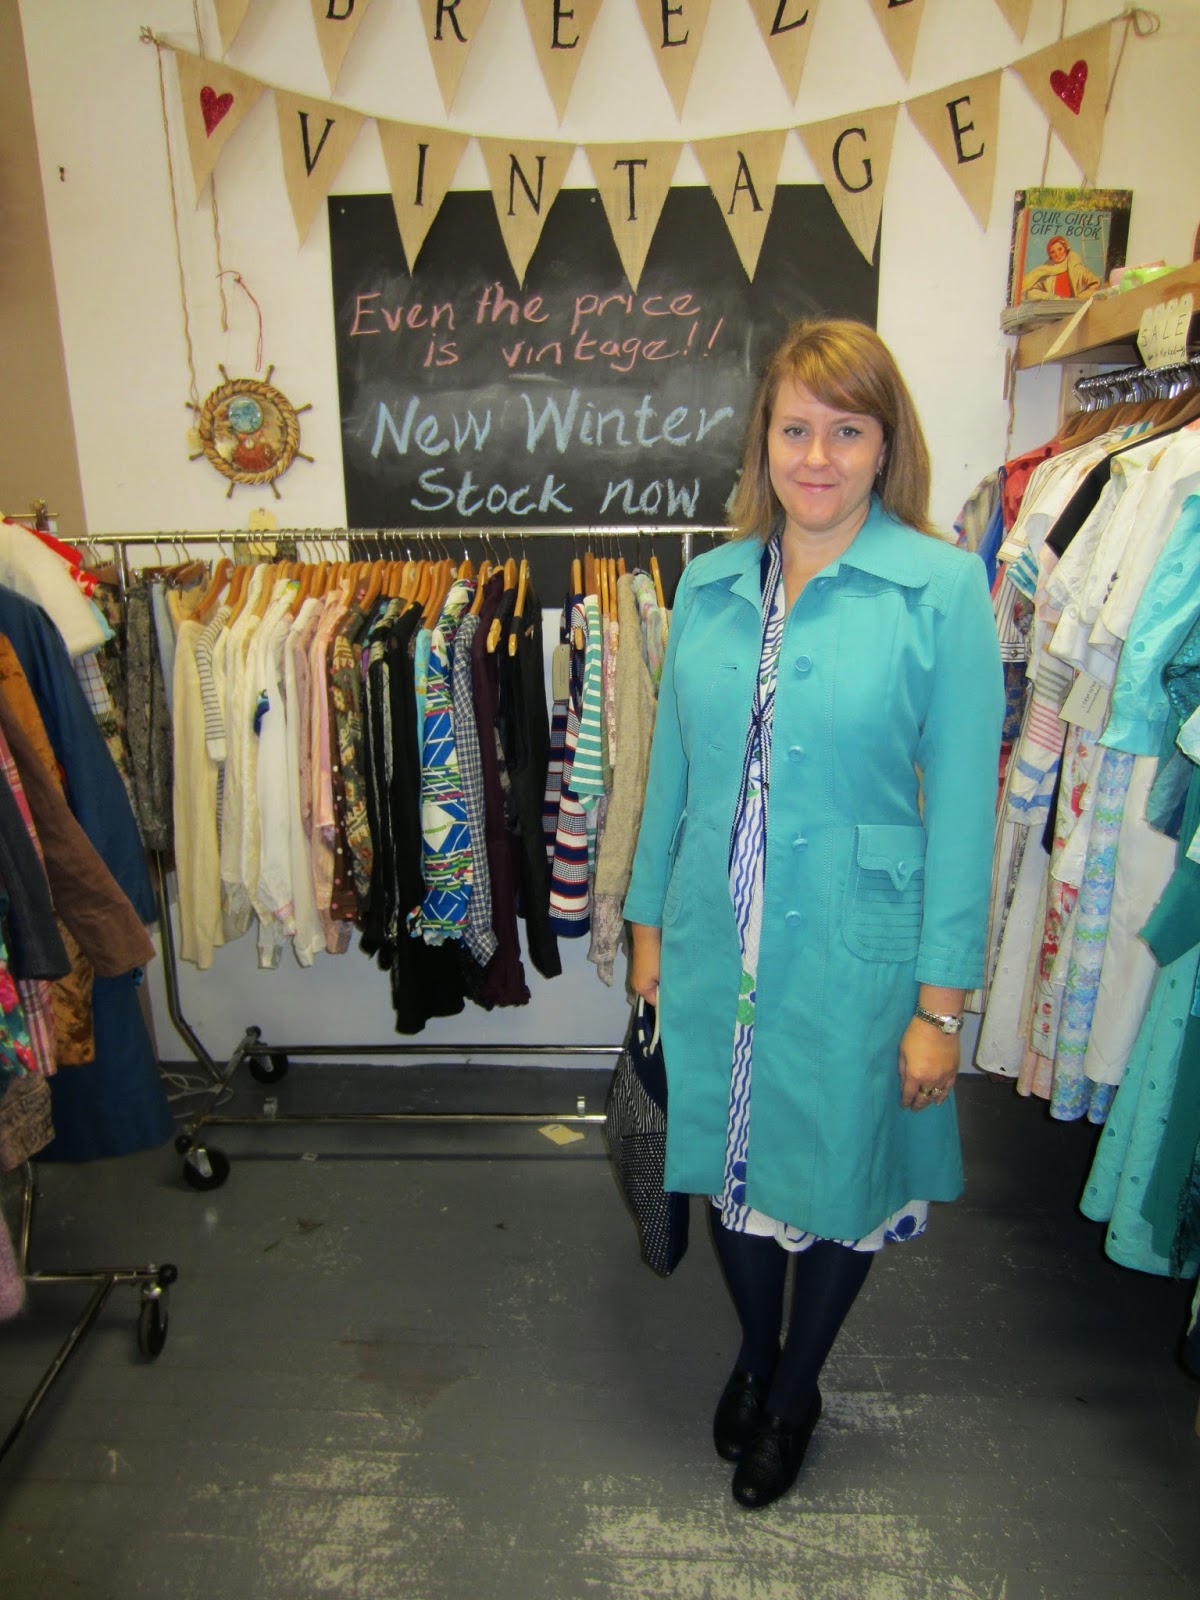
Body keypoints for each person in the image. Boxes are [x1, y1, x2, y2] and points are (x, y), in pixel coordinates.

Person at [623, 318, 1004, 1510]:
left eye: (847, 430)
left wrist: (941, 1006)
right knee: (728, 1159)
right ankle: (756, 1350)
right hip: (715, 934)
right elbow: (673, 774)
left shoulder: (941, 588)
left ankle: (795, 1391)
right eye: (796, 429)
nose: (818, 456)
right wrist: (646, 930)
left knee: (843, 1171)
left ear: (886, 445)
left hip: (858, 947)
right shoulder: (710, 583)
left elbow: (963, 814)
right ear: (765, 441)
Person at [1021, 234, 1101, 300]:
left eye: (1060, 249)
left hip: (1073, 307)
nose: (1057, 254)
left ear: (1065, 249)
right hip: (1053, 308)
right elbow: (1031, 293)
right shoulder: (1046, 272)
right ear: (1050, 256)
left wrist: (1079, 298)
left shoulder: (1077, 268)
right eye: (1053, 252)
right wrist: (1050, 297)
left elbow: (1095, 283)